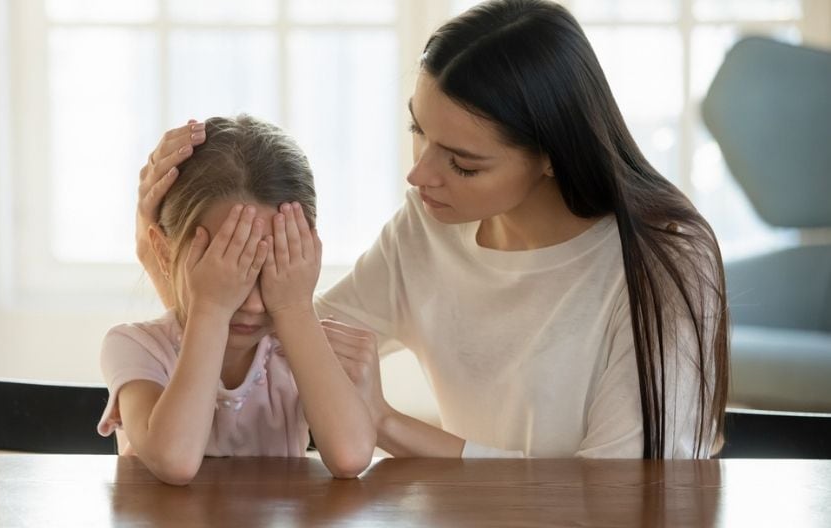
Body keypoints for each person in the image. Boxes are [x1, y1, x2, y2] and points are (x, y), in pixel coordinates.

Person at [136, 0, 728, 460]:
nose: (419, 174)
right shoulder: (431, 227)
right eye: (418, 130)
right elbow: (273, 345)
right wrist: (160, 252)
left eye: (462, 163)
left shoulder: (665, 263)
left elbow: (622, 493)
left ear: (552, 154)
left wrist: (389, 424)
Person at [99, 115, 376, 486]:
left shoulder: (294, 346)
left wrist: (294, 308)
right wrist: (210, 309)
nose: (254, 305)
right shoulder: (136, 347)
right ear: (164, 254)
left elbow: (351, 456)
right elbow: (175, 460)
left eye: (272, 270)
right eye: (228, 273)